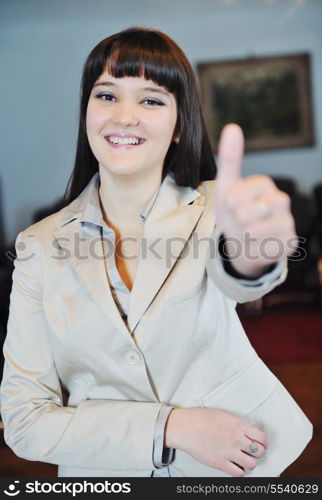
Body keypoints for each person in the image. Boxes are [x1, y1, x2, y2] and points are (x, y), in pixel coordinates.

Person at [0, 27, 312, 478]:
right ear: (86, 112)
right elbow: (25, 421)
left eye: (151, 100)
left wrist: (254, 251)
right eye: (106, 95)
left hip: (232, 470)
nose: (124, 116)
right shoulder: (38, 247)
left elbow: (238, 274)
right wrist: (170, 427)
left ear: (180, 124)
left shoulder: (212, 210)